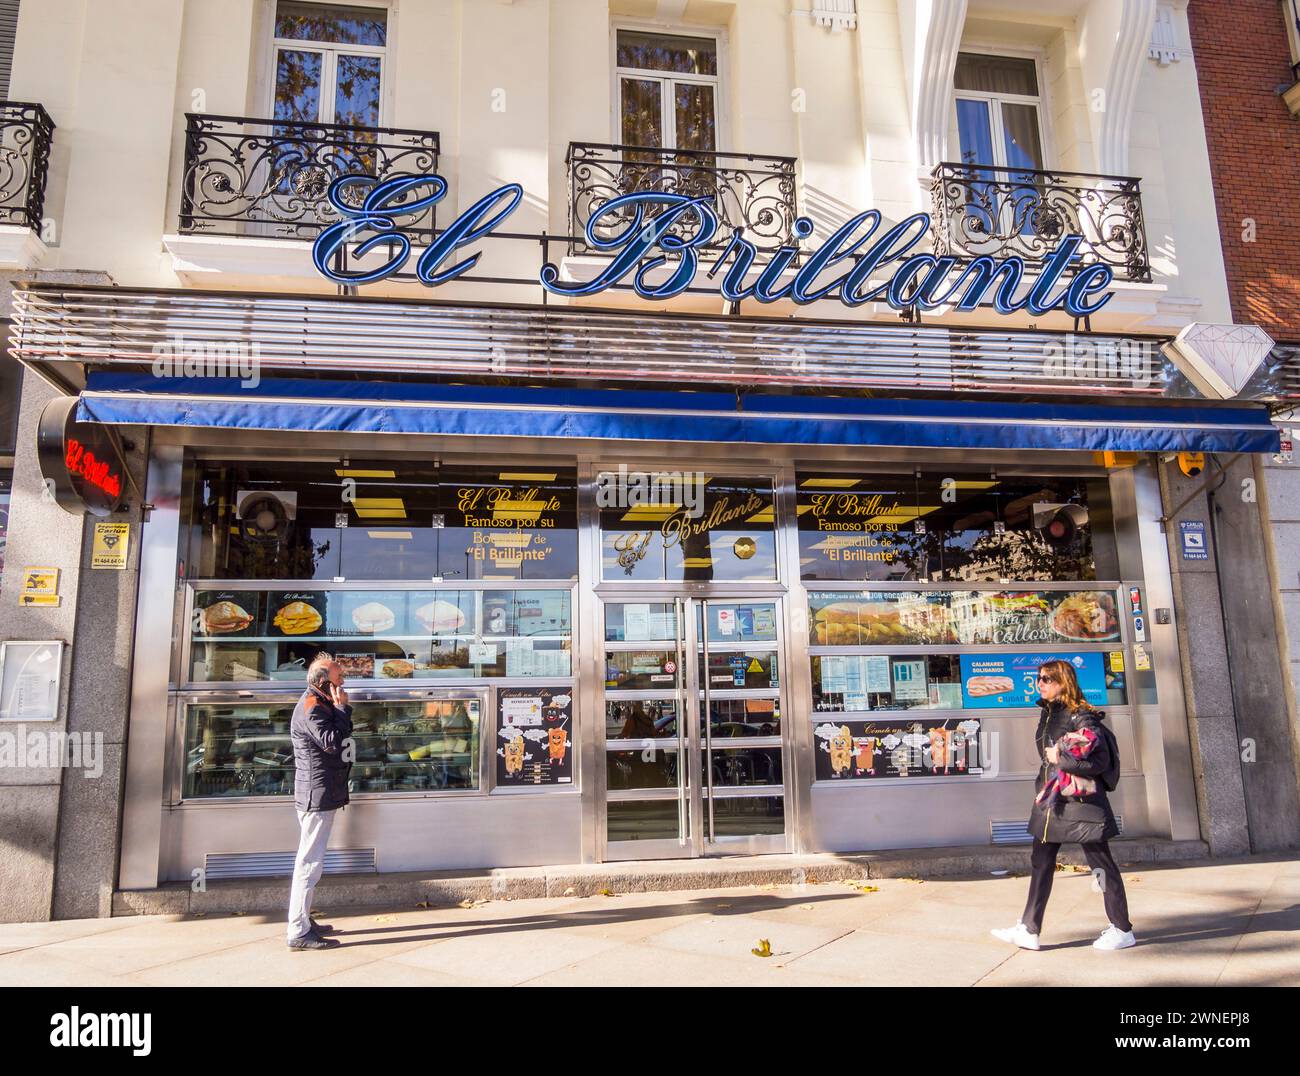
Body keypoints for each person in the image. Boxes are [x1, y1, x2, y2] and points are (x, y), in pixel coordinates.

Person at [991, 659, 1135, 951]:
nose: (1039, 683)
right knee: (1041, 863)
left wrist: (1061, 759)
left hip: (1081, 803)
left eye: (1046, 679)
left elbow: (1099, 761)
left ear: (1062, 682)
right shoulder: (1049, 713)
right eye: (1038, 678)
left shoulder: (1082, 715)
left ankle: (1122, 928)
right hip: (1052, 803)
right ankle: (1030, 929)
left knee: (1101, 866)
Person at [286, 652, 353, 950]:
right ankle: (298, 931)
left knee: (311, 860)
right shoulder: (313, 707)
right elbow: (331, 742)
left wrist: (338, 708)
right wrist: (342, 708)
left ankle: (303, 919)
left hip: (320, 791)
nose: (343, 683)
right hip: (317, 794)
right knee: (309, 863)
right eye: (339, 679)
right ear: (325, 682)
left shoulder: (317, 702)